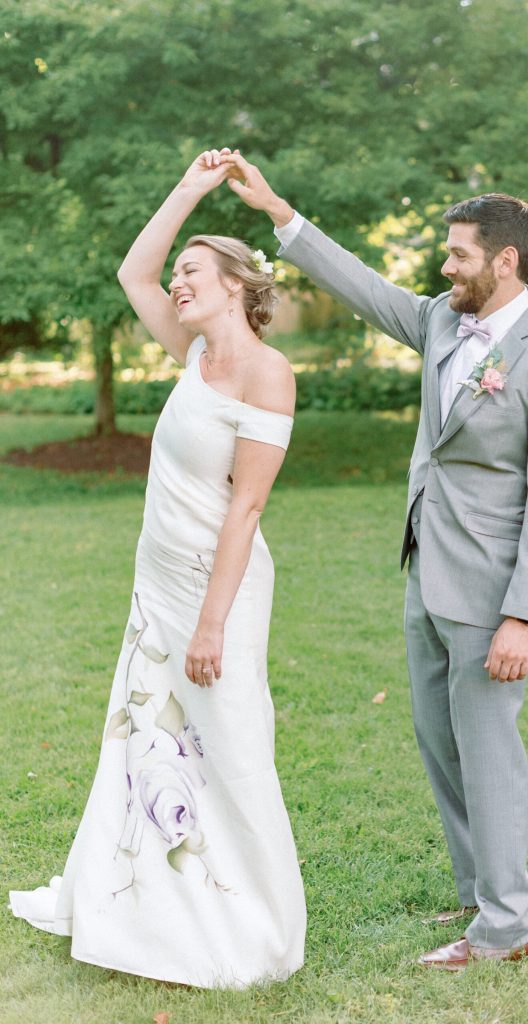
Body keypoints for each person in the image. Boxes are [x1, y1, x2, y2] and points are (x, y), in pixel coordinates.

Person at [223, 151, 528, 971]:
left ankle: (505, 931)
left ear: (503, 261)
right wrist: (278, 211)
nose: (444, 264)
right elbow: (364, 289)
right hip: (425, 574)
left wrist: (523, 616)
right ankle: (490, 891)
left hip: (492, 595)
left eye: (459, 253)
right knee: (441, 743)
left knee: (488, 750)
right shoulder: (438, 319)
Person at [10, 149, 306, 989]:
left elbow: (246, 509)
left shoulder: (265, 373)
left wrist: (212, 621)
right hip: (157, 588)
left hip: (220, 594)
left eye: (194, 271)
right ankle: (145, 900)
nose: (176, 282)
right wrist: (191, 189)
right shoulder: (189, 352)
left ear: (237, 286)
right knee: (144, 740)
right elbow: (130, 269)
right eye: (179, 273)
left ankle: (259, 926)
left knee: (232, 743)